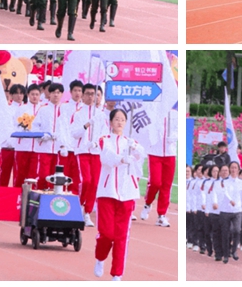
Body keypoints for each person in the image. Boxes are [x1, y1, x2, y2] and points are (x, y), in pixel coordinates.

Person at [93, 108, 145, 281]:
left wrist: (135, 150)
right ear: (111, 122)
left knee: (122, 236)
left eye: (123, 119)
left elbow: (141, 157)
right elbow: (106, 157)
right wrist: (122, 158)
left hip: (127, 193)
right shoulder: (104, 140)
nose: (120, 122)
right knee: (107, 233)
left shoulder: (131, 142)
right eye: (117, 119)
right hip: (107, 192)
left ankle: (117, 274)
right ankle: (100, 258)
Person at [71, 83, 109, 226]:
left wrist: (97, 143)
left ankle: (87, 212)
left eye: (93, 94)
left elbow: (105, 134)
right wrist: (86, 125)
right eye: (87, 94)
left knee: (94, 183)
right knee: (86, 180)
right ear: (83, 95)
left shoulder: (101, 114)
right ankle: (79, 205)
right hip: (82, 151)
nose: (90, 97)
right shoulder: (78, 113)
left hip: (96, 152)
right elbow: (74, 133)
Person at [140, 107, 177, 228]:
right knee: (155, 182)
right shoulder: (153, 112)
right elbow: (146, 130)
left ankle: (161, 215)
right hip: (154, 152)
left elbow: (179, 130)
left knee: (166, 185)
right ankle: (147, 203)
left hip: (170, 153)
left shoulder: (175, 114)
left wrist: (174, 137)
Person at [213, 161, 242, 264]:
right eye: (232, 168)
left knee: (237, 230)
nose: (234, 170)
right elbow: (224, 192)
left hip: (237, 210)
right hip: (225, 210)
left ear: (238, 170)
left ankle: (234, 250)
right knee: (225, 233)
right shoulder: (224, 182)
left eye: (235, 168)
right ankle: (225, 254)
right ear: (230, 169)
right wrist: (230, 200)